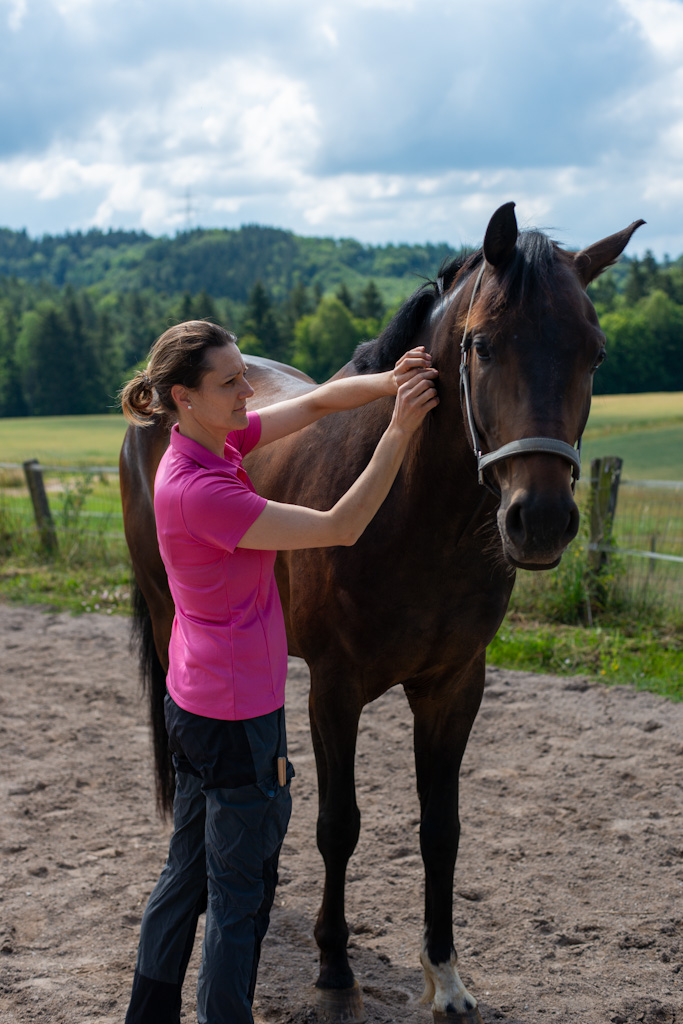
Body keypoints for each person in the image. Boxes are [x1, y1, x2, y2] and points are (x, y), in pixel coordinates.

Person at [119, 320, 438, 1024]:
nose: (246, 393)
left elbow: (319, 403)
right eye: (229, 383)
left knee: (185, 877)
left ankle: (147, 1014)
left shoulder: (208, 443)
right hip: (236, 717)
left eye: (243, 375)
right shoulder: (202, 493)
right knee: (240, 897)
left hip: (195, 700)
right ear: (185, 396)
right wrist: (400, 431)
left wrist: (389, 382)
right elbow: (340, 525)